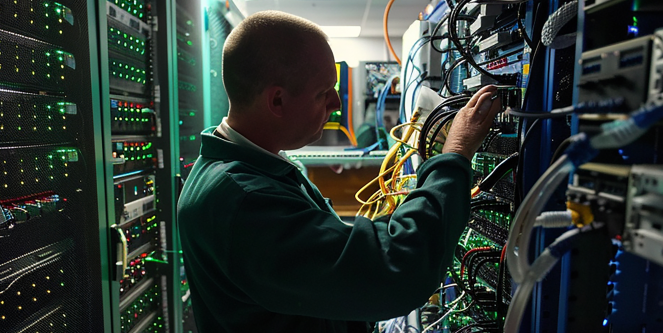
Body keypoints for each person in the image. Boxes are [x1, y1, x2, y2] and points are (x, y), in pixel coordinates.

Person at [177, 10, 503, 333]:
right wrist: (455, 154)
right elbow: (400, 269)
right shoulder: (244, 200)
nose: (336, 101)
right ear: (276, 101)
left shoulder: (245, 168)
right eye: (323, 92)